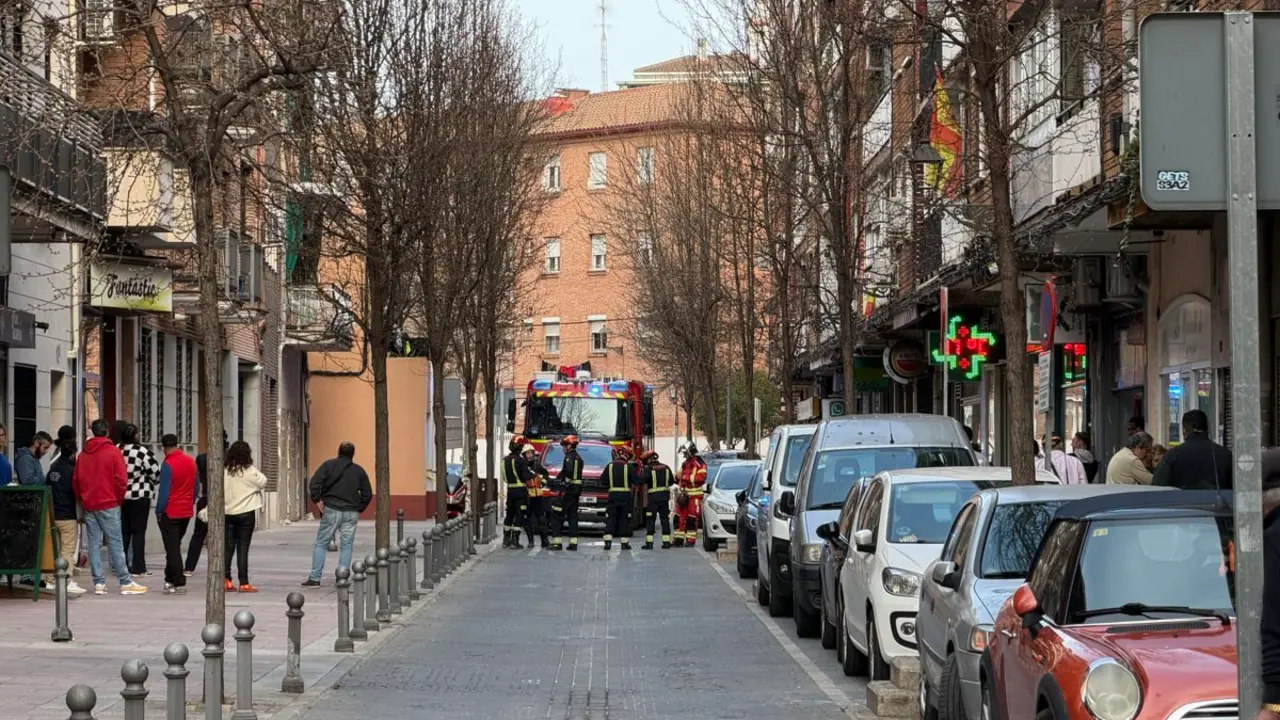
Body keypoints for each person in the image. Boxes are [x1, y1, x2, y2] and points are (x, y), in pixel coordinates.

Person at [72, 419, 147, 595]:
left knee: (94, 543)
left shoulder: (83, 455)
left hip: (90, 502)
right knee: (115, 542)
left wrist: (82, 499)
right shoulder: (113, 452)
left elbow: (76, 481)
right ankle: (125, 581)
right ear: (106, 432)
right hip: (109, 501)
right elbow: (121, 479)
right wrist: (118, 498)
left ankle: (99, 582)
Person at [303, 442, 372, 587]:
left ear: (338, 451)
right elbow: (367, 493)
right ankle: (342, 576)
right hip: (351, 511)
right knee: (347, 545)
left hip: (332, 509)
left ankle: (315, 578)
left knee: (321, 543)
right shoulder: (359, 471)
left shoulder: (328, 465)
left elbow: (314, 483)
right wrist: (359, 507)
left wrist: (317, 500)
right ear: (353, 454)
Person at [214, 441, 268, 592]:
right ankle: (243, 582)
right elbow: (263, 481)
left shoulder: (224, 471)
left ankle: (226, 579)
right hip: (246, 513)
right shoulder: (249, 471)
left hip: (228, 513)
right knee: (243, 548)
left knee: (228, 547)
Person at [154, 434, 197, 595]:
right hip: (185, 511)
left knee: (172, 548)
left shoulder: (167, 465)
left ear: (163, 447)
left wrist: (159, 511)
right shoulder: (190, 462)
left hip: (170, 511)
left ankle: (178, 580)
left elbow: (164, 492)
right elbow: (195, 488)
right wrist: (190, 502)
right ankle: (169, 579)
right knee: (174, 546)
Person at [117, 423, 160, 576]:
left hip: (122, 496)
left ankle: (121, 566)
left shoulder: (117, 450)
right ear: (135, 435)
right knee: (138, 532)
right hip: (140, 495)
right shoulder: (142, 452)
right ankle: (139, 567)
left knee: (124, 532)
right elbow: (155, 474)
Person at [1154, 409, 1233, 490]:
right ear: (1208, 428)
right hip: (1219, 502)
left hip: (1181, 502)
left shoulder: (1172, 456)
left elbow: (1158, 490)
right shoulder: (1226, 455)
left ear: (1184, 430)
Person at [45, 437, 86, 595]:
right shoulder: (72, 471)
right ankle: (66, 580)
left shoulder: (53, 468)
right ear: (73, 453)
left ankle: (49, 579)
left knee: (54, 549)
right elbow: (77, 492)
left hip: (52, 514)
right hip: (68, 515)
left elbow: (47, 485)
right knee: (67, 550)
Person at [185, 433, 228, 576]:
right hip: (224, 500)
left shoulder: (202, 459)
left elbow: (197, 480)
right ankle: (222, 568)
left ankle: (189, 567)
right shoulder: (227, 460)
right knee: (224, 535)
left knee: (198, 534)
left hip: (205, 498)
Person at [549, 435, 584, 551]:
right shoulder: (579, 458)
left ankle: (557, 543)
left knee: (556, 512)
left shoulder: (569, 457)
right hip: (576, 490)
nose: (563, 448)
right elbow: (564, 473)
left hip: (569, 490)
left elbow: (568, 472)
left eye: (564, 446)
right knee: (572, 516)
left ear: (569, 446)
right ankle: (573, 543)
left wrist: (562, 483)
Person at [501, 439, 533, 548]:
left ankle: (506, 540)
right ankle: (515, 541)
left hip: (510, 492)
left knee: (509, 515)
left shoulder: (503, 461)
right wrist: (532, 474)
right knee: (519, 515)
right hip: (521, 493)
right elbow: (527, 477)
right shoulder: (521, 461)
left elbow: (505, 478)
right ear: (519, 448)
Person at [603, 445, 636, 551]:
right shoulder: (629, 467)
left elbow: (603, 481)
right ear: (627, 455)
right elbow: (637, 480)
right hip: (625, 498)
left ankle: (608, 542)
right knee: (624, 520)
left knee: (611, 518)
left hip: (612, 497)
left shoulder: (610, 466)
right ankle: (624, 544)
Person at [639, 450, 674, 549]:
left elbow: (643, 480)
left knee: (650, 520)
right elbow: (671, 481)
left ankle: (649, 544)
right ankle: (666, 542)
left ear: (649, 459)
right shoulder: (666, 467)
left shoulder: (648, 469)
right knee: (664, 519)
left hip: (652, 500)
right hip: (664, 499)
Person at [674, 445, 707, 547]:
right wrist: (676, 477)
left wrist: (684, 477)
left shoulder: (700, 464)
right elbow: (678, 477)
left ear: (690, 452)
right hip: (683, 495)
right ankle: (678, 540)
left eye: (685, 453)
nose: (684, 455)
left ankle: (690, 541)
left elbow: (701, 478)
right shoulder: (685, 464)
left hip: (695, 496)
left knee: (692, 519)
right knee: (678, 518)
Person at [524, 445, 551, 548]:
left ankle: (545, 541)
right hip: (528, 496)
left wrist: (543, 483)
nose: (530, 455)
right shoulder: (523, 465)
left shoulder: (537, 465)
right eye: (528, 453)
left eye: (531, 453)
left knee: (541, 519)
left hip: (538, 495)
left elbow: (545, 474)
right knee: (528, 519)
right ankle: (531, 542)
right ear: (524, 455)